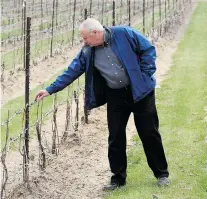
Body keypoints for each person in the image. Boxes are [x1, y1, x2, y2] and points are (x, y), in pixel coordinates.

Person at [35, 18, 169, 191]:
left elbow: (148, 50)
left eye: (84, 38)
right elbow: (72, 70)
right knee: (115, 137)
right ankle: (118, 179)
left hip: (140, 91)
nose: (83, 42)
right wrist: (50, 90)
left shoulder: (124, 33)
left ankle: (162, 174)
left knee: (149, 132)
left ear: (95, 33)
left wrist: (144, 75)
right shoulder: (87, 51)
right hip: (115, 94)